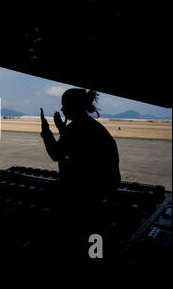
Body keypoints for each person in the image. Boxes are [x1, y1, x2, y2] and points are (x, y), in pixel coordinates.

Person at [40, 88, 121, 261]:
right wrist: (63, 129)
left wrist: (46, 131)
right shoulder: (89, 124)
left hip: (89, 192)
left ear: (72, 106)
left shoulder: (77, 127)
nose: (62, 109)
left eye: (64, 105)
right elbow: (79, 147)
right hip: (104, 187)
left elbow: (56, 153)